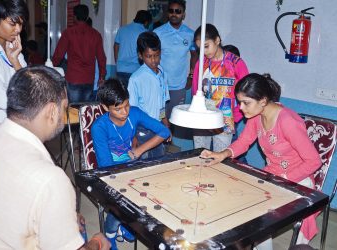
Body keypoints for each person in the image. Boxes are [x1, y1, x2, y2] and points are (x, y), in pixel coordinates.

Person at [0, 65, 110, 250]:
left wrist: (59, 214)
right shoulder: (52, 181)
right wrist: (97, 243)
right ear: (52, 111)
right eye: (64, 108)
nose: (64, 114)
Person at [200, 73, 322, 249]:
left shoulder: (288, 121)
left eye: (246, 103)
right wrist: (223, 154)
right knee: (243, 205)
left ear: (263, 101)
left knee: (257, 212)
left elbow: (313, 161)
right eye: (239, 102)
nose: (241, 108)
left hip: (298, 179)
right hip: (271, 174)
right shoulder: (256, 116)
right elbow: (244, 141)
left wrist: (283, 179)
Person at [92, 78, 170, 249]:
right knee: (123, 197)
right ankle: (110, 232)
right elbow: (105, 165)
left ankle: (127, 222)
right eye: (117, 109)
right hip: (108, 171)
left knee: (151, 188)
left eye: (126, 105)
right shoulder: (100, 127)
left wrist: (140, 150)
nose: (124, 112)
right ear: (106, 108)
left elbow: (164, 131)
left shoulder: (134, 113)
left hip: (130, 165)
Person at [191, 24, 249, 152]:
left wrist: (236, 117)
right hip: (203, 117)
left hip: (226, 119)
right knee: (199, 154)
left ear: (217, 40)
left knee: (220, 157)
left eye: (206, 46)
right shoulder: (201, 63)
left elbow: (247, 94)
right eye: (200, 48)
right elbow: (195, 91)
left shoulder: (236, 63)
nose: (204, 52)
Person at [128, 31, 170, 159]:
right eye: (149, 56)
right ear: (140, 56)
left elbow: (162, 104)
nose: (153, 60)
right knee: (143, 164)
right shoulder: (136, 79)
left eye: (156, 55)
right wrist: (133, 135)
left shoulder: (162, 73)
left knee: (158, 161)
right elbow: (131, 111)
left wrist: (165, 123)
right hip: (142, 129)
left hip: (158, 127)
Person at [52, 4, 106, 103]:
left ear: (75, 17)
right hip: (89, 78)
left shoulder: (68, 33)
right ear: (87, 17)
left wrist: (52, 67)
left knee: (73, 111)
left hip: (73, 77)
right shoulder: (96, 34)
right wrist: (102, 76)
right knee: (85, 111)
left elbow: (59, 54)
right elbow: (101, 57)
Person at [154, 0, 197, 120]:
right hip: (160, 84)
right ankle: (161, 138)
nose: (174, 14)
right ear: (167, 13)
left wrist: (192, 75)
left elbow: (194, 55)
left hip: (179, 85)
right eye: (171, 11)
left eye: (178, 11)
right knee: (160, 117)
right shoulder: (158, 33)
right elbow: (151, 56)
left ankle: (170, 138)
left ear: (183, 14)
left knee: (175, 118)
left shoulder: (190, 34)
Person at [0, 0, 28, 122]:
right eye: (12, 24)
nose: (18, 30)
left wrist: (15, 61)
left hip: (16, 122)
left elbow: (28, 83)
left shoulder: (13, 46)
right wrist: (30, 99)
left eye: (21, 24)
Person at [114, 10, 152, 88]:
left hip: (121, 69)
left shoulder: (122, 29)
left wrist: (117, 62)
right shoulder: (145, 33)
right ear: (146, 22)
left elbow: (116, 46)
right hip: (136, 70)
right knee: (134, 97)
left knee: (122, 97)